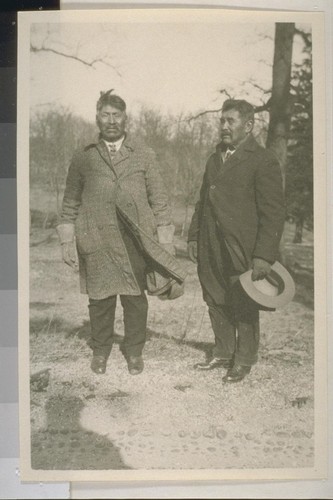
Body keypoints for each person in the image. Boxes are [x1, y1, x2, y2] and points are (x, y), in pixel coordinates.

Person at [57, 90, 186, 376]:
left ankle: (134, 351)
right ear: (97, 118)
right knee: (100, 298)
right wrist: (67, 239)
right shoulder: (83, 157)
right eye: (106, 115)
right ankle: (101, 351)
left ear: (126, 119)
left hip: (135, 238)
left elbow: (159, 198)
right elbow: (70, 202)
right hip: (96, 237)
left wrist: (165, 237)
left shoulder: (143, 154)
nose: (112, 121)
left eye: (117, 115)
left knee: (134, 298)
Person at [188, 99, 285, 383]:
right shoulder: (215, 158)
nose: (224, 126)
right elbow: (202, 202)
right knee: (215, 297)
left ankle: (244, 359)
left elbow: (273, 213)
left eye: (231, 121)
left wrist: (264, 255)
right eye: (222, 121)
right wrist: (194, 236)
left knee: (243, 300)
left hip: (242, 248)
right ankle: (223, 351)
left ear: (249, 125)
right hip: (210, 244)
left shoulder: (263, 159)